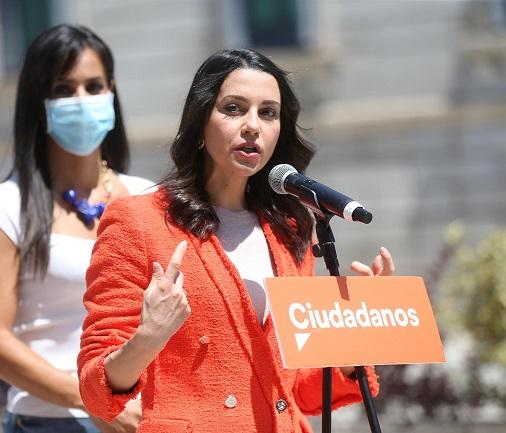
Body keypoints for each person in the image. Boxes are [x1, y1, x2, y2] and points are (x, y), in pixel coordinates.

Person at [77, 49, 395, 433]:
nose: (252, 126)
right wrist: (149, 337)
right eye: (233, 108)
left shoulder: (291, 229)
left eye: (268, 113)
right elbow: (96, 393)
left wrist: (353, 340)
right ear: (199, 124)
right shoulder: (138, 222)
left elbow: (296, 391)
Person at [0, 24, 152, 433]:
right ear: (38, 101)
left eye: (93, 86)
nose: (82, 100)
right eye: (63, 90)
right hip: (50, 420)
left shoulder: (147, 197)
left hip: (145, 418)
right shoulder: (4, 207)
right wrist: (96, 400)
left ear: (112, 91)